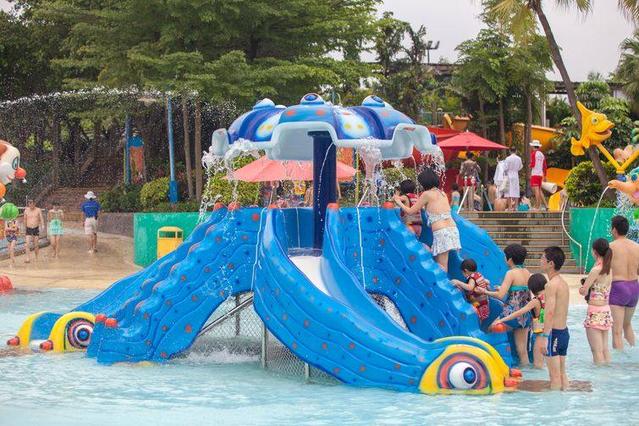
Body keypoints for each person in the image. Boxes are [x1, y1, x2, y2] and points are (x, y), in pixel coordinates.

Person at [394, 168, 460, 271]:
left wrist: (398, 202)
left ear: (425, 182)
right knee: (442, 262)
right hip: (452, 229)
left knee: (441, 266)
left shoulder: (426, 194)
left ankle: (444, 281)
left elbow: (411, 211)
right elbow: (434, 209)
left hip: (441, 231)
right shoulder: (442, 193)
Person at [479, 244, 531, 366]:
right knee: (522, 351)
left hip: (510, 313)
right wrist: (502, 288)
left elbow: (500, 295)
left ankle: (495, 362)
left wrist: (485, 291)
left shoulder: (510, 273)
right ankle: (527, 372)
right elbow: (520, 292)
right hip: (525, 315)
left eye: (505, 256)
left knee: (490, 328)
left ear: (510, 259)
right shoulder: (526, 272)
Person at [493, 273, 547, 369]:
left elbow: (518, 313)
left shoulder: (536, 301)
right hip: (549, 335)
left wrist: (501, 320)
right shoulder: (550, 298)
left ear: (532, 288)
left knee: (538, 366)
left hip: (540, 337)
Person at [539, 246, 570, 391]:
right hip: (564, 333)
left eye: (542, 258)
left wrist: (545, 337)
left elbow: (549, 312)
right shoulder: (563, 283)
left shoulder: (551, 285)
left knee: (554, 377)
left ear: (551, 263)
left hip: (554, 334)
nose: (540, 260)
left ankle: (554, 403)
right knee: (562, 374)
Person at [579, 238, 613, 364]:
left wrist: (582, 288)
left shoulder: (596, 270)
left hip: (594, 311)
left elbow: (584, 291)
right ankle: (607, 373)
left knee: (596, 351)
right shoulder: (609, 269)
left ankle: (599, 375)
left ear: (595, 252)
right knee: (604, 349)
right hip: (606, 311)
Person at [608, 215, 639, 350]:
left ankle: (619, 361)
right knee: (627, 325)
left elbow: (602, 270)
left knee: (617, 330)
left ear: (614, 230)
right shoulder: (637, 246)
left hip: (619, 287)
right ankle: (633, 352)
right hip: (634, 287)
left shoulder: (610, 247)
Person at [530, 140, 547, 211]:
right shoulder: (542, 155)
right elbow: (544, 166)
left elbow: (533, 164)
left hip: (535, 174)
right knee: (539, 190)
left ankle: (537, 206)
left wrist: (529, 165)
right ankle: (546, 205)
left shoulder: (533, 154)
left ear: (533, 146)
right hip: (540, 175)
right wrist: (545, 176)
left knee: (536, 190)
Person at [504, 146, 523, 211]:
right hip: (515, 175)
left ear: (510, 151)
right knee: (516, 190)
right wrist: (516, 170)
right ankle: (515, 207)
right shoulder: (519, 158)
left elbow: (505, 168)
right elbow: (520, 167)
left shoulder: (507, 158)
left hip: (509, 175)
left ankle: (509, 207)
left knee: (508, 191)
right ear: (516, 151)